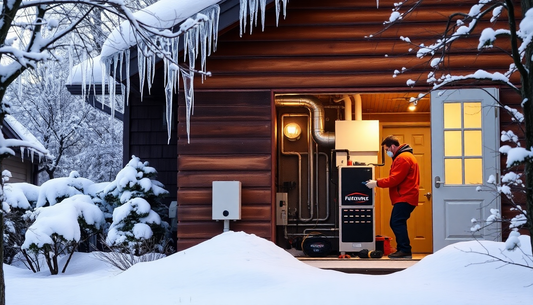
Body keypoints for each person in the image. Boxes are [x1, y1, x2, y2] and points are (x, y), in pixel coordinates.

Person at [365, 135, 420, 259]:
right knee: (398, 222)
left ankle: (405, 250)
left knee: (396, 222)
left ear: (393, 146)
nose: (387, 152)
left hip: (404, 196)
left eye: (386, 149)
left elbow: (394, 179)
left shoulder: (402, 158)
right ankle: (403, 249)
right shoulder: (406, 157)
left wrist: (376, 183)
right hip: (407, 196)